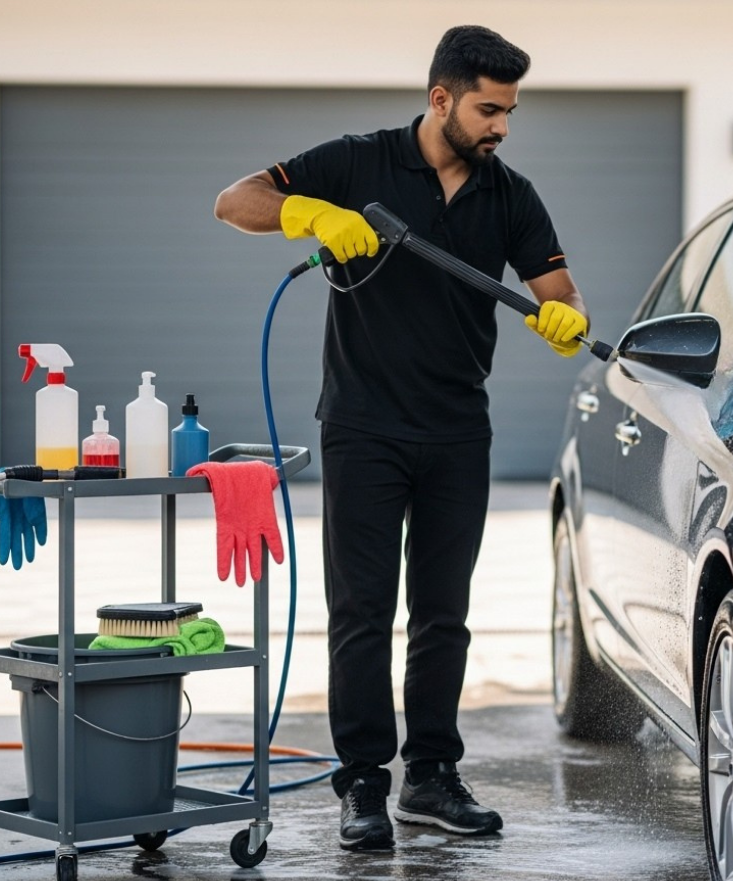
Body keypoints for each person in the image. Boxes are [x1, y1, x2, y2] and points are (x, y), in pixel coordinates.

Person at [214, 25, 590, 851]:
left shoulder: (510, 195)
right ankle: (362, 785)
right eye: (489, 109)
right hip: (363, 425)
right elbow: (234, 200)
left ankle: (430, 776)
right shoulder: (358, 162)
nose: (501, 126)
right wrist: (307, 213)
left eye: (510, 112)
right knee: (360, 612)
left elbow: (557, 290)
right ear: (441, 97)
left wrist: (566, 318)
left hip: (458, 426)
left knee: (443, 614)